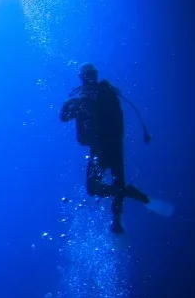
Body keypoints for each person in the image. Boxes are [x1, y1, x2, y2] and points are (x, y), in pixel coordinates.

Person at [60, 64, 153, 233]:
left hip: (102, 149)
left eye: (89, 76)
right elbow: (64, 116)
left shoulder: (101, 95)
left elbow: (66, 117)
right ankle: (119, 211)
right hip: (110, 147)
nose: (88, 79)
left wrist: (77, 105)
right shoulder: (94, 96)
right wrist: (73, 104)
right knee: (108, 185)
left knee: (96, 187)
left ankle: (118, 216)